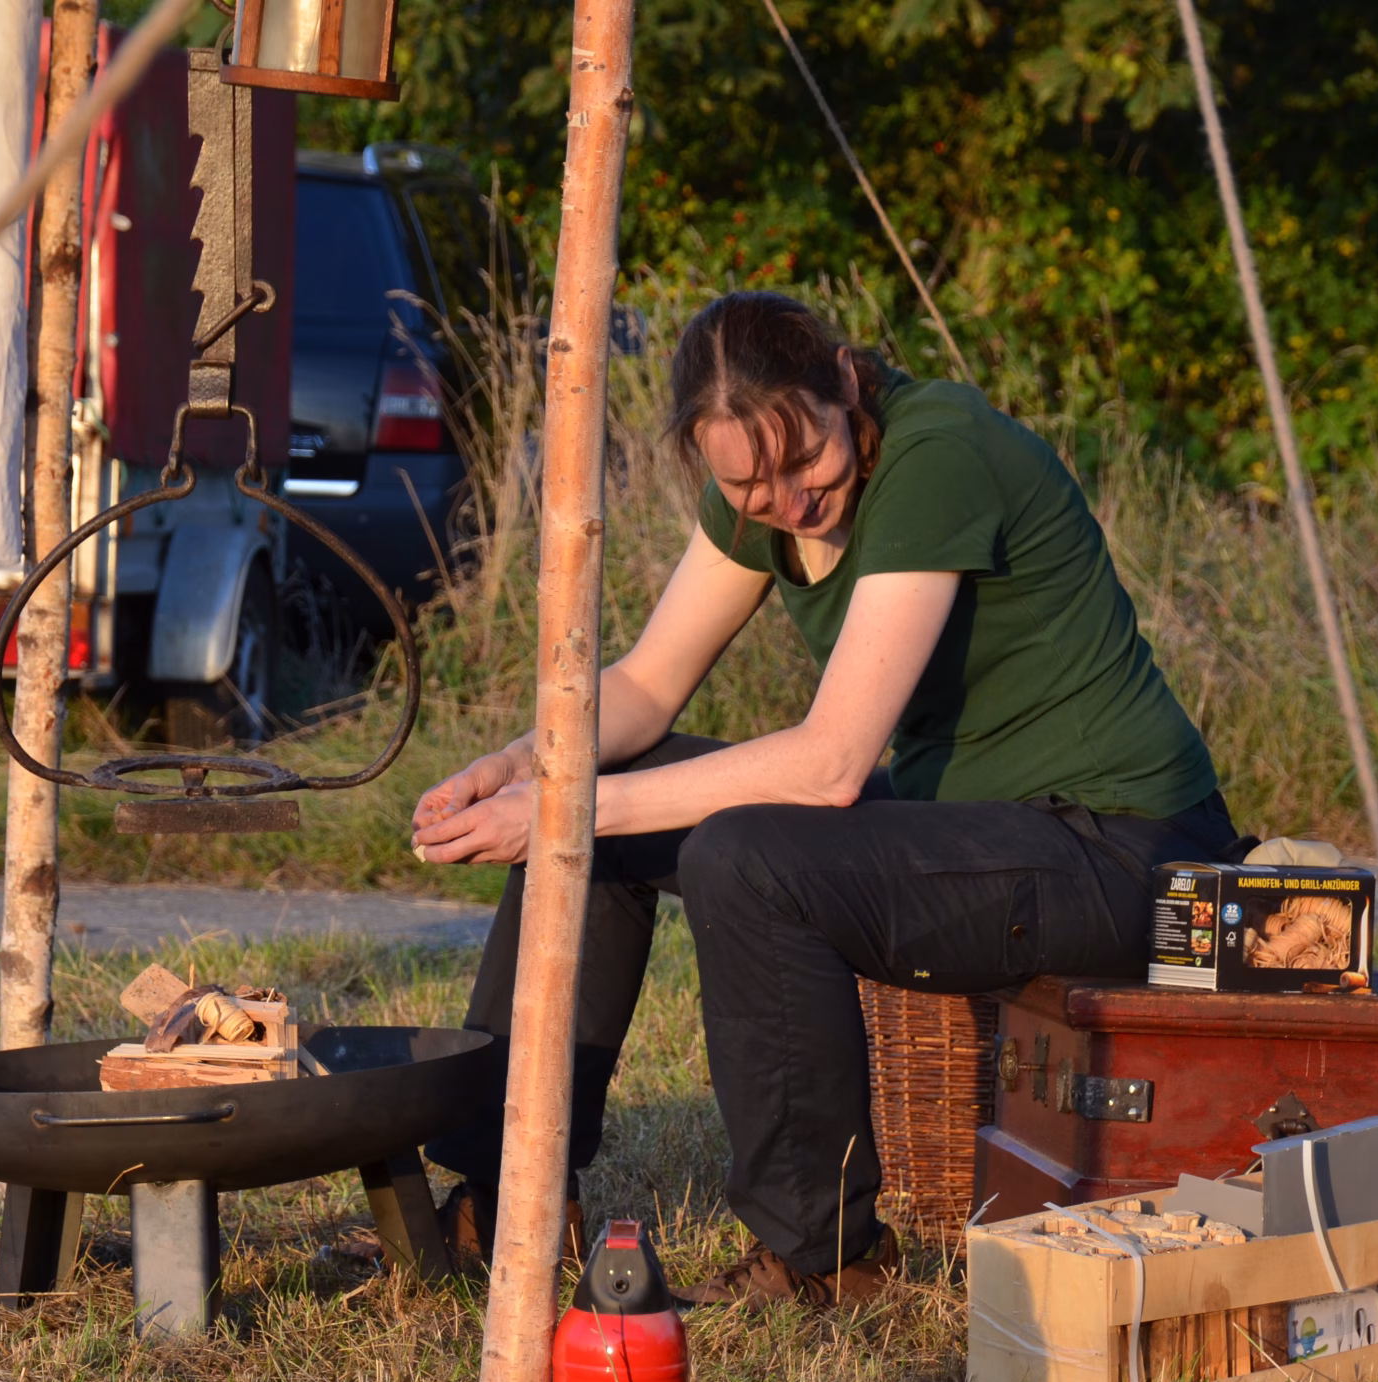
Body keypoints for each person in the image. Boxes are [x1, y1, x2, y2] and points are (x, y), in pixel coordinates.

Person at [410, 291, 1247, 1308]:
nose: (788, 498)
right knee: (619, 797)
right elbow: (641, 687)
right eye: (748, 482)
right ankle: (503, 1194)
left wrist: (568, 811)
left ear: (846, 382)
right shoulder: (759, 480)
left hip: (1119, 848)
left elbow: (829, 764)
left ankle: (825, 1255)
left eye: (804, 460)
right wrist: (526, 767)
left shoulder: (936, 456)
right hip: (984, 821)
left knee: (742, 857)